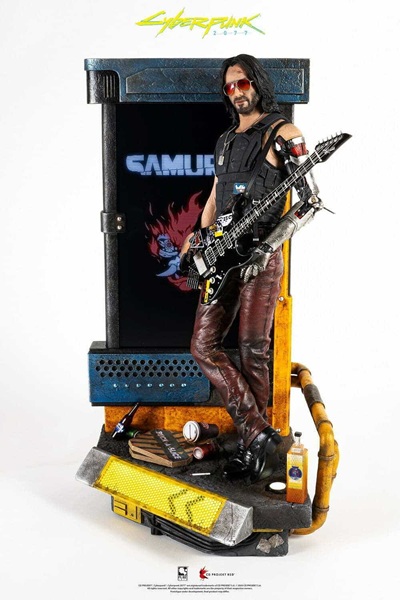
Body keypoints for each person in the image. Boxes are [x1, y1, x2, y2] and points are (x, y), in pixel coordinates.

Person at [181, 54, 317, 483]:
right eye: (230, 86)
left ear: (257, 83)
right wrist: (199, 237)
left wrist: (267, 249)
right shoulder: (225, 141)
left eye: (243, 83)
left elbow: (311, 201)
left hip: (262, 256)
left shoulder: (284, 133)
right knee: (203, 345)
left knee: (254, 350)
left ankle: (254, 449)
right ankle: (261, 437)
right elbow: (216, 195)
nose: (237, 91)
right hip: (221, 256)